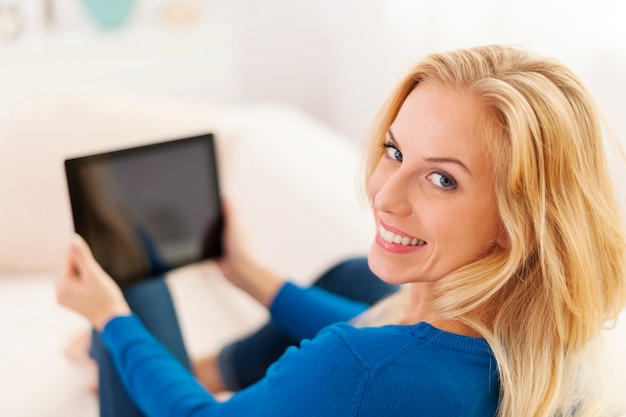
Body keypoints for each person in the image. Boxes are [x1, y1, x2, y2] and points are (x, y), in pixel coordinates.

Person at [56, 44, 626, 417]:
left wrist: (111, 317)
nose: (385, 195)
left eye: (442, 180)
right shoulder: (548, 339)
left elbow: (201, 415)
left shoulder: (354, 366)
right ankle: (200, 361)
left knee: (134, 273)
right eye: (395, 151)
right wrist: (250, 276)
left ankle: (139, 352)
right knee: (357, 279)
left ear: (516, 221)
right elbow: (399, 352)